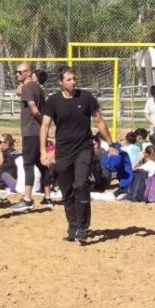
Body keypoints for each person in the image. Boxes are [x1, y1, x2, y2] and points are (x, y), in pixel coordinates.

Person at [40, 67, 113, 244]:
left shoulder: (86, 98)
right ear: (60, 82)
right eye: (69, 79)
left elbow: (99, 121)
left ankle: (83, 227)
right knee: (67, 190)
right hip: (63, 151)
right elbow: (45, 126)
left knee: (81, 184)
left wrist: (111, 144)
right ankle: (72, 227)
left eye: (74, 79)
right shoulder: (53, 101)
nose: (73, 82)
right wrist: (43, 151)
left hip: (84, 148)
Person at [15, 62, 50, 211]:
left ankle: (27, 199)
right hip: (38, 132)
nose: (17, 75)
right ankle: (47, 197)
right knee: (41, 164)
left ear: (29, 72)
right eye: (16, 72)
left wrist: (43, 123)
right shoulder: (37, 87)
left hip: (31, 131)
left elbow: (34, 110)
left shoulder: (28, 88)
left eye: (20, 72)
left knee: (28, 164)